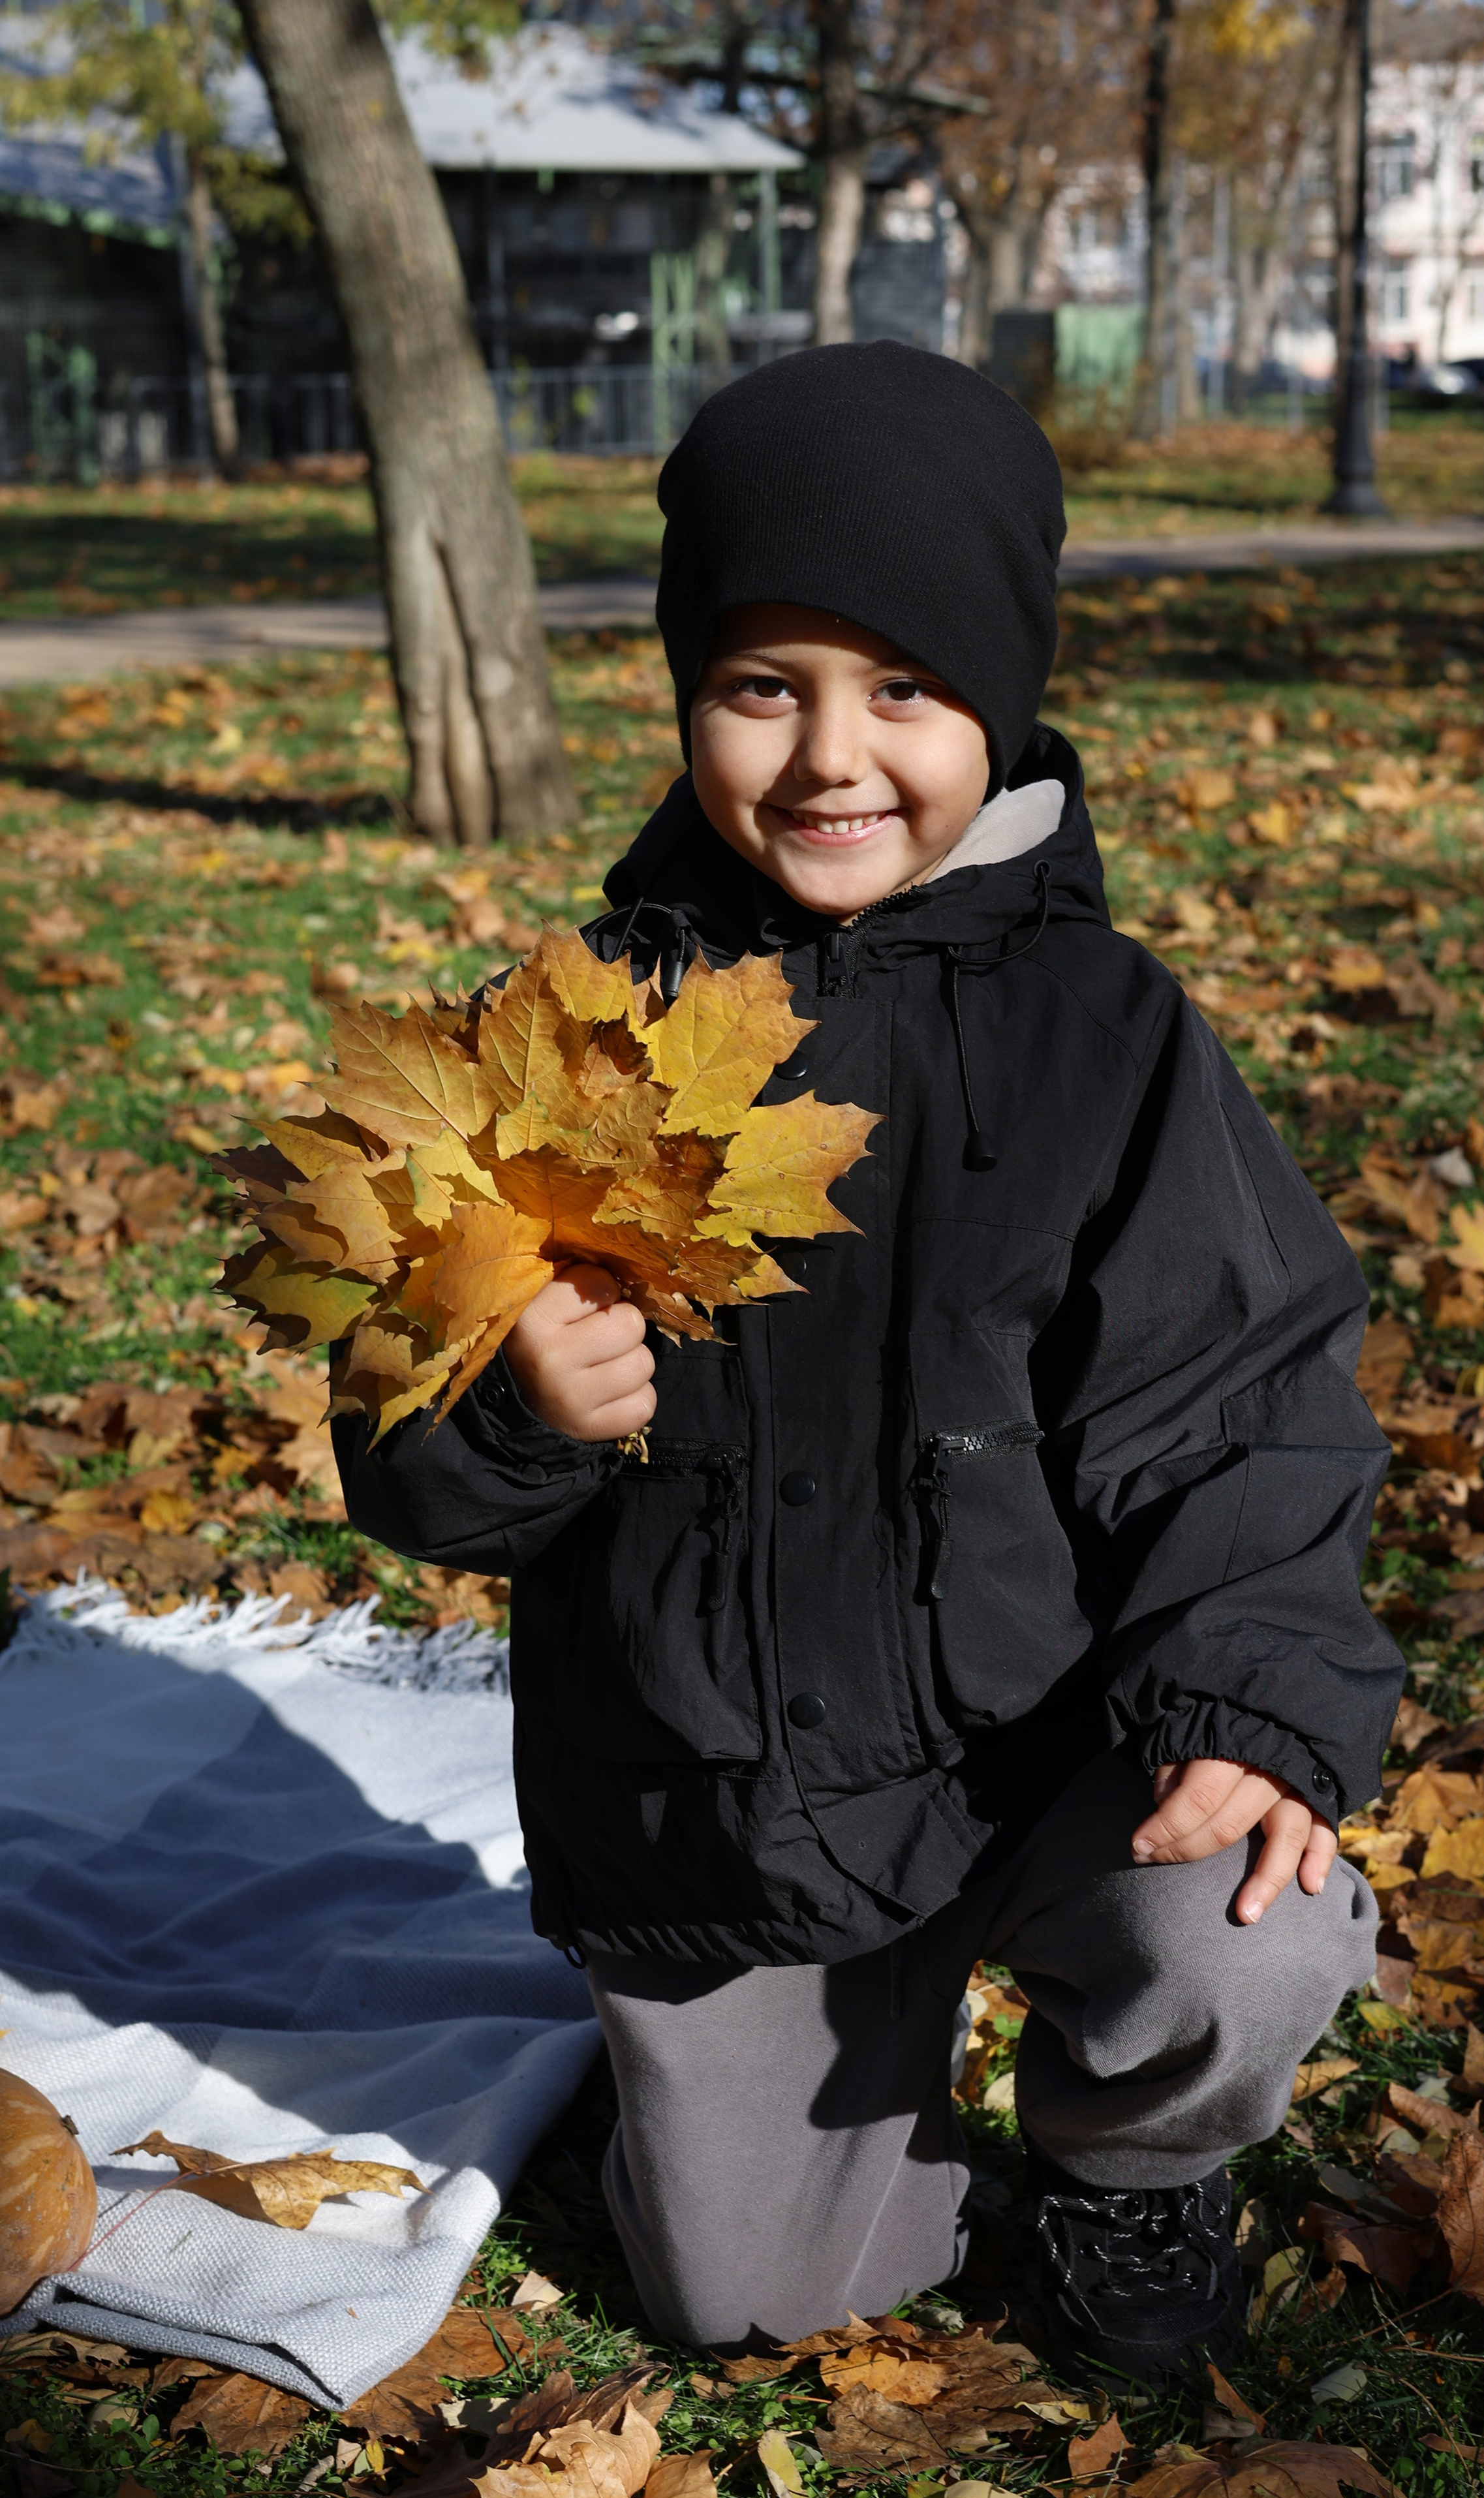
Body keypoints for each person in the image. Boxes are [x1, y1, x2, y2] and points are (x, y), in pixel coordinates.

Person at [335, 342, 1400, 2390]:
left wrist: (1255, 1700)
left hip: (1040, 1742)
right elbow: (395, 1446)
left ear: (996, 701)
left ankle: (1129, 2165)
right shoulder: (570, 1033)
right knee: (755, 2309)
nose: (835, 755)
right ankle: (776, 2113)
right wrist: (512, 1411)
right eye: (767, 686)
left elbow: (1241, 1397)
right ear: (687, 697)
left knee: (1238, 1930)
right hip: (717, 1788)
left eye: (903, 689)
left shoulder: (1106, 1032)